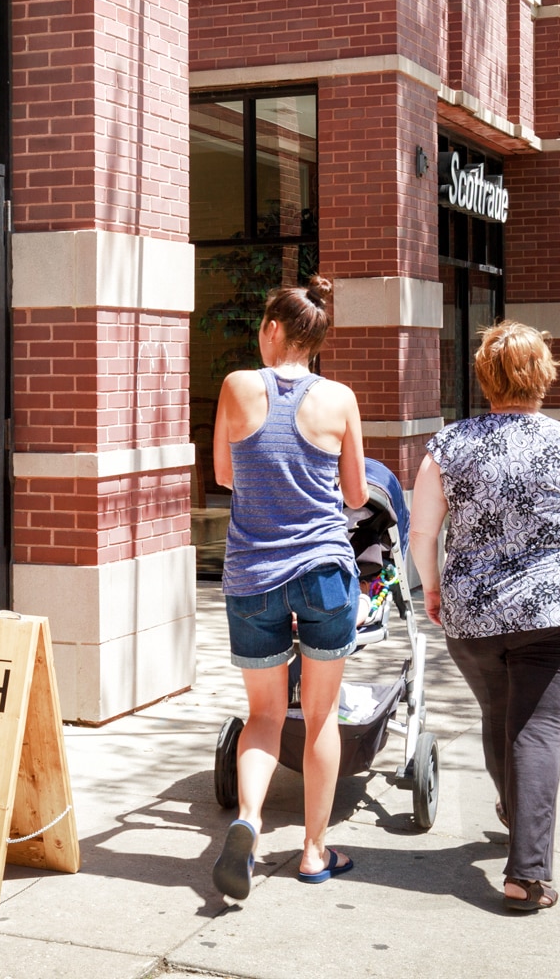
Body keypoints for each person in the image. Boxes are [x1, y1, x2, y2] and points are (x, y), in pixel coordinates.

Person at [409, 321, 560, 914]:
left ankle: (513, 808)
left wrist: (432, 586)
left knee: (501, 712)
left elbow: (424, 529)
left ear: (485, 378)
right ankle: (526, 873)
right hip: (554, 606)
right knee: (537, 726)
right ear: (543, 375)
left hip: (472, 609)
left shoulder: (449, 445)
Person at [207, 276, 368, 900]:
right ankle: (312, 851)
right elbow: (356, 496)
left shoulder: (237, 386)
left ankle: (247, 820)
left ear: (274, 329)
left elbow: (224, 473)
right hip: (324, 572)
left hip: (252, 576)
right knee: (320, 716)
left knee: (265, 715)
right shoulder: (340, 398)